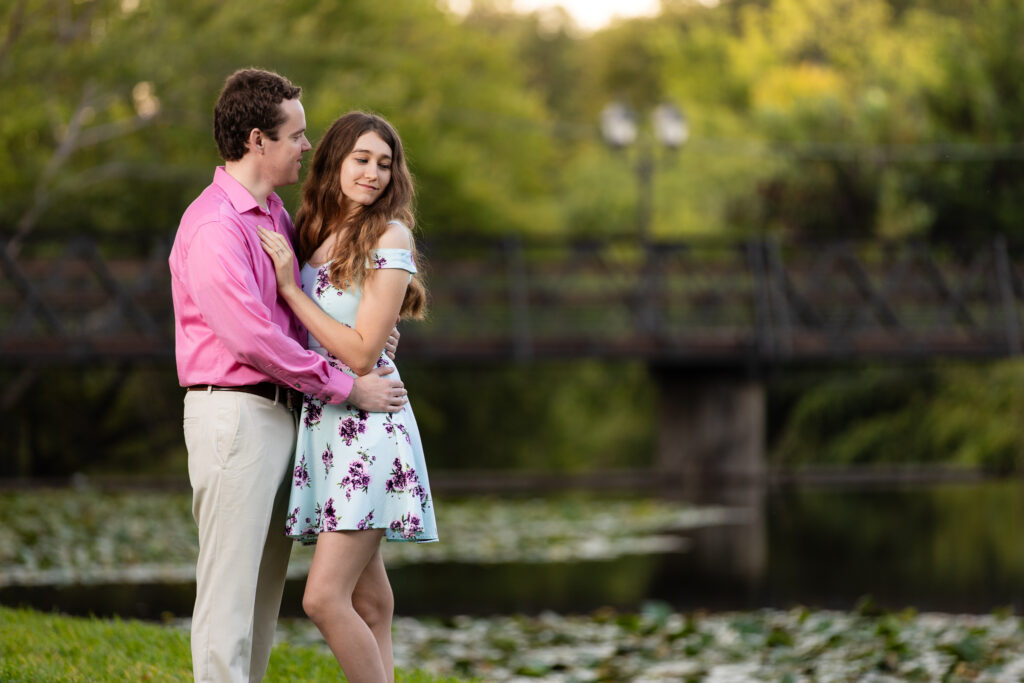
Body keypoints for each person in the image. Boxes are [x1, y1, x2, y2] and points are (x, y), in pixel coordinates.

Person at [169, 70, 408, 683]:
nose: (308, 146)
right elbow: (252, 338)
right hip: (236, 415)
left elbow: (308, 315)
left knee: (262, 595)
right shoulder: (216, 226)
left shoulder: (274, 215)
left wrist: (368, 339)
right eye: (297, 135)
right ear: (257, 139)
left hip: (289, 416)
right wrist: (347, 382)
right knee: (228, 595)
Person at [257, 111, 438, 682]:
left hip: (369, 430)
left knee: (322, 598)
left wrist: (290, 288)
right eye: (361, 159)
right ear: (334, 160)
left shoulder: (391, 235)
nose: (373, 173)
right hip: (328, 426)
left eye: (384, 163)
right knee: (370, 602)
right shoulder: (312, 230)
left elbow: (360, 354)